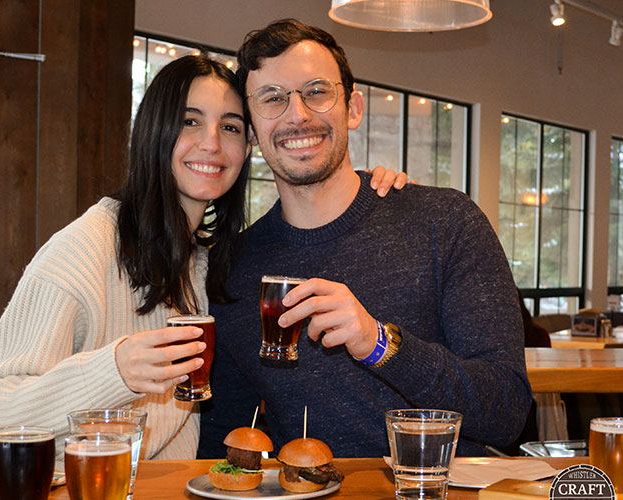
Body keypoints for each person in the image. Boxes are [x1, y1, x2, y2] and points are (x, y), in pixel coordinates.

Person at [0, 54, 406, 459]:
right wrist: (112, 370)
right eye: (190, 122)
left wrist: (355, 189)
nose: (211, 143)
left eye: (230, 126)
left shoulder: (207, 262)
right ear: (155, 130)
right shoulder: (85, 248)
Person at [198, 19, 533, 459]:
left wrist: (379, 343)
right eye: (272, 99)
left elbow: (507, 412)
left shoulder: (445, 221)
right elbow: (226, 434)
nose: (297, 115)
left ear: (352, 109)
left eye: (316, 92)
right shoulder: (233, 266)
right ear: (253, 130)